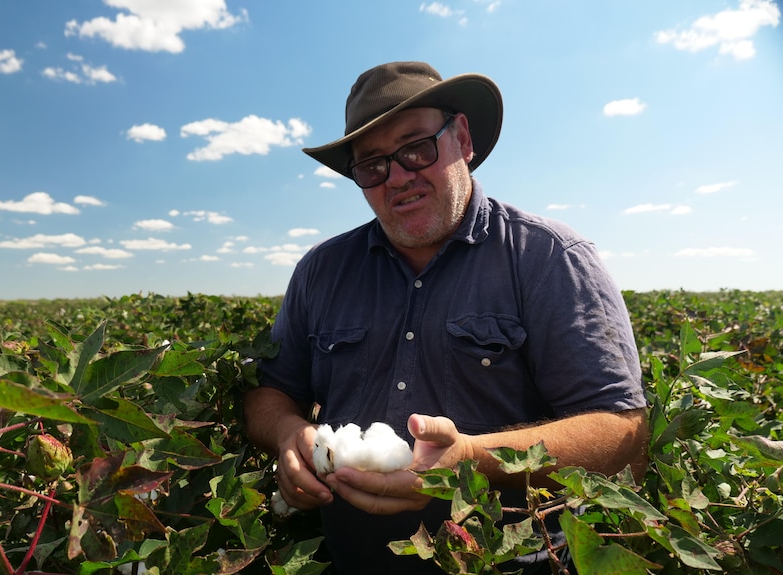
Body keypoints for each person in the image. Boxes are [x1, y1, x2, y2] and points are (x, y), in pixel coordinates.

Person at [244, 61, 648, 574]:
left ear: (462, 139)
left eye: (417, 148)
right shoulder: (321, 271)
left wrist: (469, 459)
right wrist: (286, 433)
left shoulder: (548, 258)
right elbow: (271, 391)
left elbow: (621, 430)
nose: (398, 177)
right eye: (372, 165)